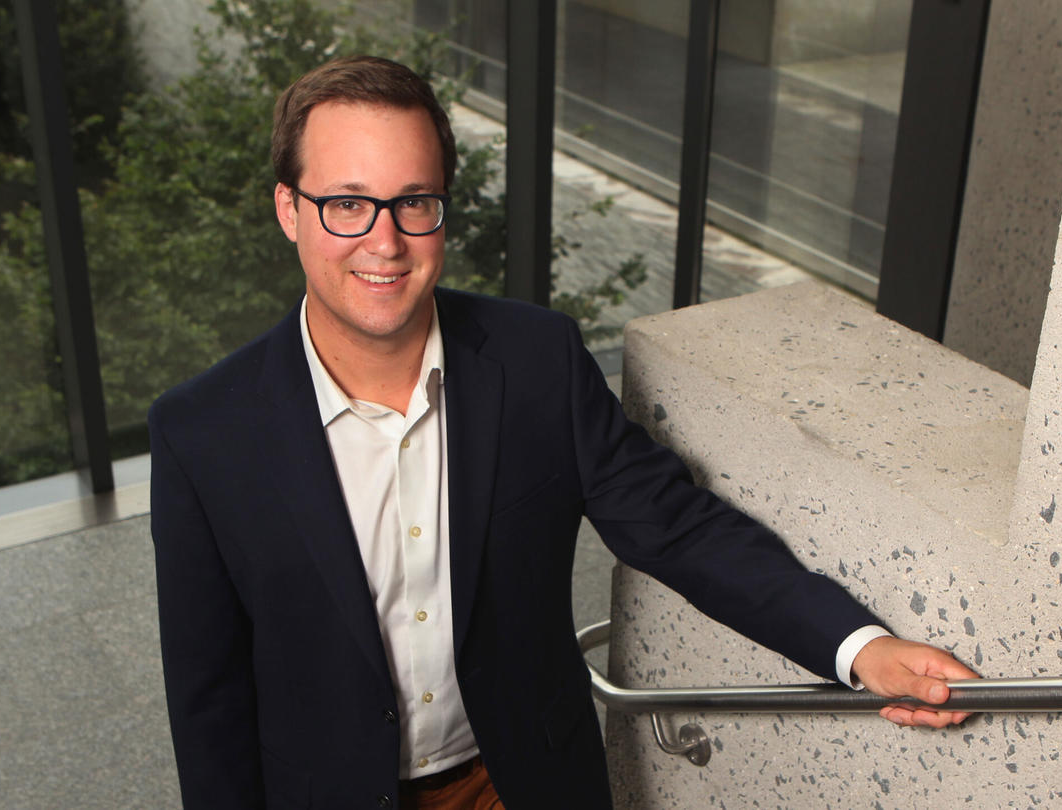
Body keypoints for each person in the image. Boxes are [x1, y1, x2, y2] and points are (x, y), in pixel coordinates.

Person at [149, 55, 978, 810]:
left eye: (413, 203)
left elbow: (675, 527)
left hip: (516, 784)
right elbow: (209, 701)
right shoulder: (203, 436)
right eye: (347, 204)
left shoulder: (536, 360)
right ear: (289, 210)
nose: (385, 240)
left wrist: (856, 646)